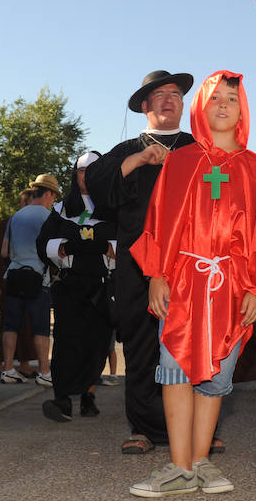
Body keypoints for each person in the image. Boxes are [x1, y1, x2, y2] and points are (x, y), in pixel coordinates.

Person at [128, 70, 256, 497]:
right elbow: (161, 221)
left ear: (243, 109)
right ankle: (177, 467)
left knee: (215, 377)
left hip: (230, 284)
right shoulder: (182, 161)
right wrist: (156, 274)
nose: (224, 104)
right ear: (201, 108)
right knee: (175, 372)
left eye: (233, 98)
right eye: (216, 98)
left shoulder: (255, 167)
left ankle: (200, 460)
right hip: (184, 282)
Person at [86, 70, 195, 455]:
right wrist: (138, 159)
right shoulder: (126, 150)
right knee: (141, 344)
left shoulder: (200, 150)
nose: (169, 99)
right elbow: (96, 185)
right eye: (159, 95)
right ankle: (144, 428)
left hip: (192, 263)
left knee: (193, 345)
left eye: (176, 94)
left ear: (183, 105)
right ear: (145, 106)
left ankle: (197, 429)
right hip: (137, 265)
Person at [37, 151, 116, 422]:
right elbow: (43, 243)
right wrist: (66, 247)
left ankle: (88, 395)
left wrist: (106, 247)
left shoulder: (113, 209)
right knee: (66, 342)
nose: (86, 176)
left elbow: (126, 245)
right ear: (75, 174)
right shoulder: (60, 210)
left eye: (92, 171)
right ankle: (61, 399)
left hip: (100, 287)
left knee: (95, 344)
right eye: (82, 170)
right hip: (69, 287)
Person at [0, 175, 61, 386]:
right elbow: (55, 252)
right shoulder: (48, 217)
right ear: (49, 193)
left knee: (11, 326)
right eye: (54, 196)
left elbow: (4, 251)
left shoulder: (15, 217)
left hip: (15, 276)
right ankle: (44, 372)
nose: (53, 201)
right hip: (38, 280)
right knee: (41, 329)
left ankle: (8, 369)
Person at [0, 189, 36, 379]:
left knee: (26, 325)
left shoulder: (35, 225)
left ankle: (24, 365)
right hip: (8, 282)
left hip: (29, 282)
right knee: (6, 324)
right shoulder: (7, 223)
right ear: (23, 204)